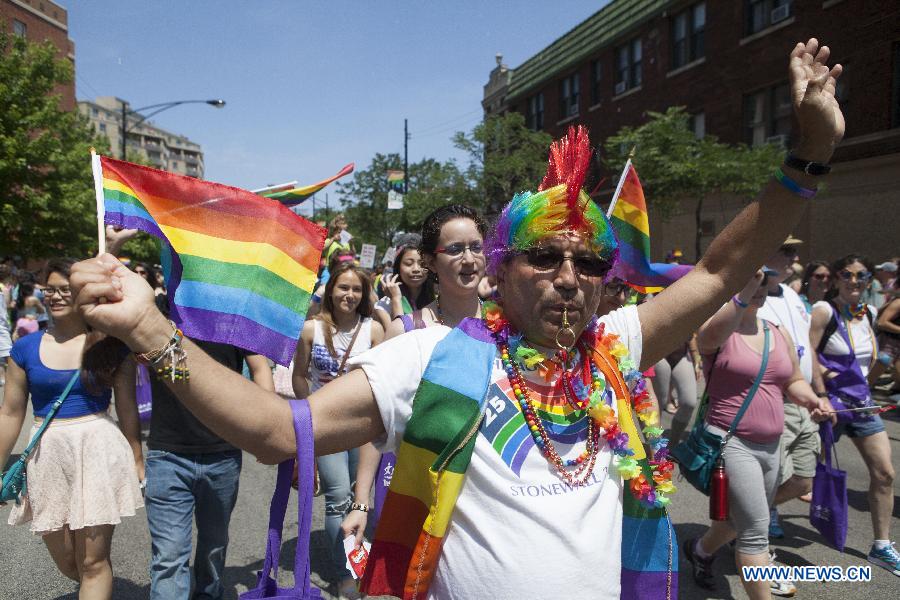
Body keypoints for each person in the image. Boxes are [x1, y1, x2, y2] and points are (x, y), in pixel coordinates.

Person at [68, 39, 844, 599]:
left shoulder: (615, 348)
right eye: (545, 257)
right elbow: (279, 432)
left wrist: (807, 156)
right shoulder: (428, 359)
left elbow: (716, 270)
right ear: (500, 270)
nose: (570, 280)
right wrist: (149, 333)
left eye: (590, 263)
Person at [341, 204, 487, 546]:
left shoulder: (508, 327)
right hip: (422, 487)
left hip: (487, 496)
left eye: (476, 247)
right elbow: (372, 421)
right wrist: (361, 502)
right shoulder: (403, 330)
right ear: (431, 262)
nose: (469, 258)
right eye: (454, 249)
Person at [0, 258, 143, 600]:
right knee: (68, 559)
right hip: (46, 453)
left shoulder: (109, 347)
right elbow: (10, 412)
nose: (57, 296)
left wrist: (137, 456)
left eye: (66, 289)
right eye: (50, 289)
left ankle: (96, 583)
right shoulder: (24, 348)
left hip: (97, 447)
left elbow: (126, 407)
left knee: (93, 561)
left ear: (83, 294)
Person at [683, 270, 830, 598]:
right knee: (754, 534)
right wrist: (743, 289)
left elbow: (792, 379)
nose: (762, 287)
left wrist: (812, 400)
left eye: (766, 282)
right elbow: (706, 340)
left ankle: (701, 550)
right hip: (732, 442)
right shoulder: (718, 331)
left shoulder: (777, 332)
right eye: (755, 279)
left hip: (772, 445)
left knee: (740, 521)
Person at [143, 297, 274, 600]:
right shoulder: (158, 311)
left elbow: (260, 368)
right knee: (168, 558)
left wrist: (267, 421)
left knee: (213, 547)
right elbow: (124, 373)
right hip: (167, 455)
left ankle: (208, 594)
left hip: (223, 454)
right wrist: (133, 450)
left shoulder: (235, 312)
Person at [291, 261, 384, 599]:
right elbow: (299, 376)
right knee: (337, 498)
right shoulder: (310, 329)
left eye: (356, 289)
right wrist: (310, 412)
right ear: (331, 290)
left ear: (364, 294)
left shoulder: (373, 330)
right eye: (343, 287)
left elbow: (382, 380)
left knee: (360, 498)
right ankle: (345, 574)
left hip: (362, 426)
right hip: (326, 426)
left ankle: (356, 555)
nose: (349, 294)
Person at [810, 254, 898, 576]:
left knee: (885, 473)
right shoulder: (824, 311)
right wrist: (822, 395)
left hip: (860, 405)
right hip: (829, 405)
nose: (855, 281)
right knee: (803, 476)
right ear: (835, 278)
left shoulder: (870, 312)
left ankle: (881, 546)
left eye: (862, 275)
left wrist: (869, 393)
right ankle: (758, 528)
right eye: (847, 274)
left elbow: (866, 363)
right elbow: (807, 357)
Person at [758, 238, 828, 541]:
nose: (794, 257)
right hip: (775, 400)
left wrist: (820, 392)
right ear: (765, 251)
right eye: (786, 250)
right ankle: (754, 529)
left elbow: (807, 347)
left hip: (804, 400)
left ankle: (758, 511)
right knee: (771, 474)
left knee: (803, 479)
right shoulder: (754, 297)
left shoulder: (792, 295)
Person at [372, 243, 434, 331]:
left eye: (422, 264)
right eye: (408, 263)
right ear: (398, 268)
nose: (416, 269)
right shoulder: (384, 305)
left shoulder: (439, 300)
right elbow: (399, 338)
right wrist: (396, 299)